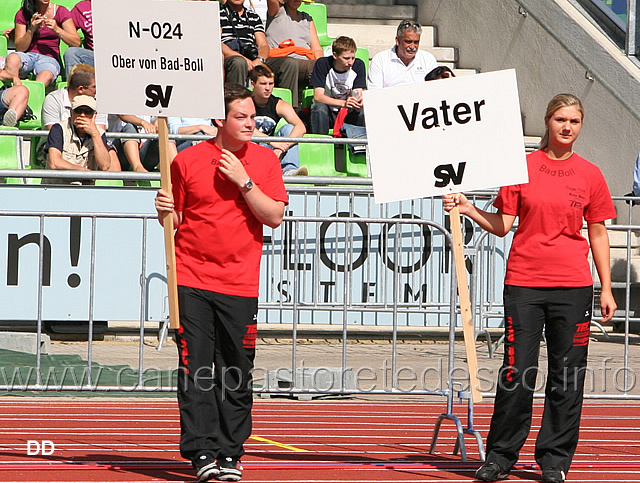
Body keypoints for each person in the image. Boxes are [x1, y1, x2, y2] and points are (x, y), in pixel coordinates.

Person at [443, 94, 617, 483]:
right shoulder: (520, 167)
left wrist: (605, 287)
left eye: (574, 121)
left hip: (573, 287)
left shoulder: (591, 174)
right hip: (524, 283)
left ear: (580, 126)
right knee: (516, 372)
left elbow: (599, 232)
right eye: (560, 119)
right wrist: (469, 208)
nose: (567, 127)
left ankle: (554, 460)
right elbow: (504, 224)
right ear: (547, 121)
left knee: (567, 377)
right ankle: (501, 456)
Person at [154, 84, 287, 482]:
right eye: (241, 117)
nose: (251, 123)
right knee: (196, 369)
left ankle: (231, 451)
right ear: (219, 120)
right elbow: (176, 219)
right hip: (191, 278)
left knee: (236, 370)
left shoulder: (265, 161)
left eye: (252, 116)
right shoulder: (187, 161)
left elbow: (274, 216)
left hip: (239, 282)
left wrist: (244, 180)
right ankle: (201, 451)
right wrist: (163, 211)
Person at [0, 0, 81, 87]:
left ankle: (33, 96)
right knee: (13, 58)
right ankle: (11, 91)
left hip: (49, 58)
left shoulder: (61, 11)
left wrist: (57, 29)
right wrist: (31, 29)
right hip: (28, 55)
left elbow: (76, 42)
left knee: (46, 75)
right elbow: (20, 48)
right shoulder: (23, 13)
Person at [250, 64, 307, 175]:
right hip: (251, 145)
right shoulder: (245, 102)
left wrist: (282, 146)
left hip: (271, 148)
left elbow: (301, 127)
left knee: (290, 128)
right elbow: (242, 127)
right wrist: (272, 141)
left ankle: (289, 170)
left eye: (271, 84)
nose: (268, 88)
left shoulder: (279, 104)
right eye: (263, 84)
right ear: (253, 84)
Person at [264, 0, 323, 107]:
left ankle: (317, 109)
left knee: (322, 66)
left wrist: (321, 64)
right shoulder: (277, 12)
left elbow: (317, 49)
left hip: (304, 62)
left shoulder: (307, 18)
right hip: (279, 61)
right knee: (291, 63)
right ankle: (291, 109)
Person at [43, 94, 112, 184]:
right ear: (71, 113)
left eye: (88, 112)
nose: (82, 115)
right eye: (78, 111)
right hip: (57, 187)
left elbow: (105, 166)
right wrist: (83, 172)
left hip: (85, 190)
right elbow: (54, 163)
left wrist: (95, 134)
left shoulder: (99, 133)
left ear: (94, 115)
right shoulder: (59, 129)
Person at [309, 35, 366, 136]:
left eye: (353, 58)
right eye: (346, 58)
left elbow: (358, 93)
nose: (350, 62)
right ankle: (320, 146)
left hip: (348, 111)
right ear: (335, 55)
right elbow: (318, 97)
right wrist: (344, 103)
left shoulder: (358, 65)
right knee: (319, 108)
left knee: (361, 110)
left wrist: (358, 102)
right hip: (328, 111)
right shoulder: (323, 64)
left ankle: (357, 146)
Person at [368, 19, 437, 89]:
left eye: (416, 42)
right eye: (408, 42)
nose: (412, 47)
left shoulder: (428, 59)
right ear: (397, 41)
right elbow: (374, 91)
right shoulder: (380, 60)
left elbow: (435, 88)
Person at [220, 0, 270, 86]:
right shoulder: (217, 14)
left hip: (253, 57)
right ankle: (236, 98)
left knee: (289, 64)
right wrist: (245, 59)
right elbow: (216, 43)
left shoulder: (253, 16)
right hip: (229, 57)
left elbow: (263, 45)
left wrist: (259, 60)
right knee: (239, 62)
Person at [110, 114, 178, 172]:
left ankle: (177, 170)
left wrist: (158, 123)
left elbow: (160, 113)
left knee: (164, 133)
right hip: (120, 152)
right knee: (130, 127)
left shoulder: (149, 101)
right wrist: (143, 123)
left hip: (144, 151)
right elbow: (122, 115)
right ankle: (137, 167)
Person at [64, 0, 95, 78]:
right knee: (71, 53)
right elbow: (67, 29)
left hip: (122, 58)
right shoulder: (81, 7)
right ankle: (74, 89)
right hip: (94, 57)